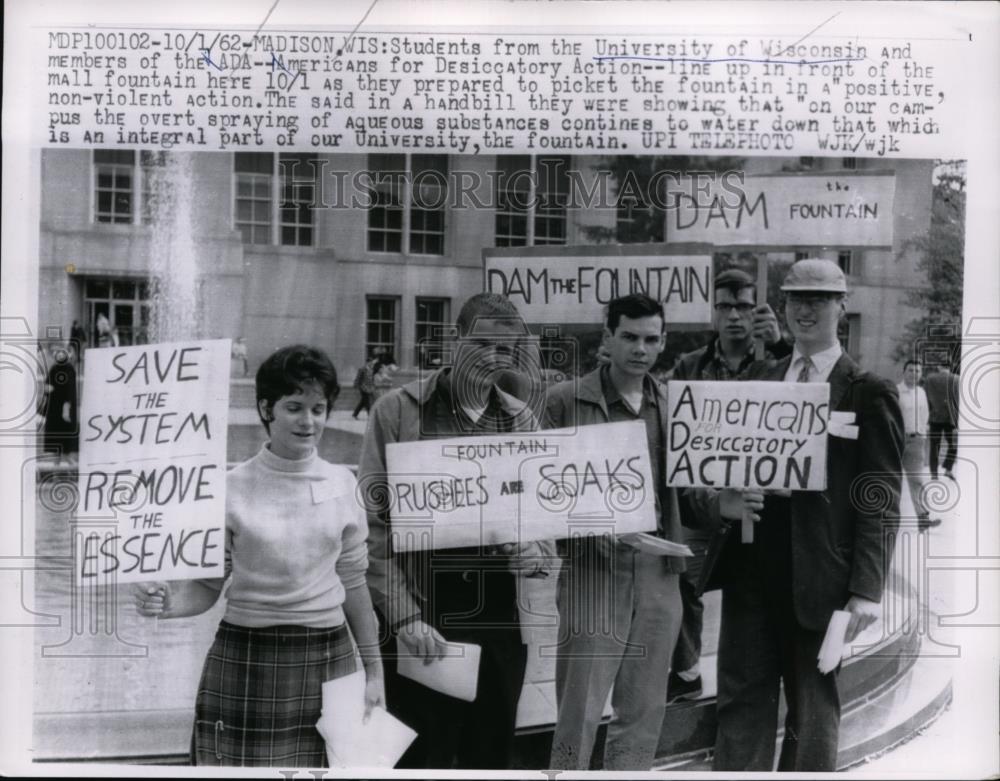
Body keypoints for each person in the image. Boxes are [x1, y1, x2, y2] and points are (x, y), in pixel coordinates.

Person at [132, 345, 384, 767]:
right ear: (266, 408)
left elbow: (355, 588)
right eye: (294, 407)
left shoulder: (343, 484)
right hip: (247, 658)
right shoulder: (230, 487)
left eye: (318, 408)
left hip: (329, 660)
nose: (309, 421)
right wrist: (167, 603)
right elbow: (208, 587)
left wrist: (375, 673)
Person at [704, 258, 904, 772]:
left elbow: (879, 499)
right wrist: (728, 497)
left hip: (822, 582)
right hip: (752, 574)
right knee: (741, 707)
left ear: (842, 304)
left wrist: (867, 588)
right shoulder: (761, 377)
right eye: (796, 299)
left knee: (813, 715)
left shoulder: (867, 391)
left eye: (818, 299)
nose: (806, 310)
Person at [357, 292, 554, 770]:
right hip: (420, 616)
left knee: (489, 758)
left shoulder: (521, 420)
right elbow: (372, 530)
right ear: (455, 340)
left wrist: (537, 553)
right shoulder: (396, 413)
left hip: (497, 619)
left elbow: (546, 522)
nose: (493, 358)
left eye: (505, 350)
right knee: (420, 758)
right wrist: (403, 618)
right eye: (482, 344)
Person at [545, 294, 686, 770]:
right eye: (629, 336)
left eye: (651, 339)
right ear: (607, 337)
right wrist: (579, 524)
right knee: (578, 709)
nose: (640, 349)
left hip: (658, 572)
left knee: (644, 708)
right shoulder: (565, 400)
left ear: (663, 343)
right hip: (593, 572)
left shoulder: (672, 404)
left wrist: (724, 502)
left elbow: (689, 490)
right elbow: (534, 488)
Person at [667, 268, 789, 704]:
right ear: (713, 313)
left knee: (759, 592)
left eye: (744, 306)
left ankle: (763, 679)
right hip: (710, 497)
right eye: (725, 306)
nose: (735, 316)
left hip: (764, 502)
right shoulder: (690, 365)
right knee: (681, 573)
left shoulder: (780, 361)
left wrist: (781, 345)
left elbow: (815, 396)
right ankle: (686, 671)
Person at [897, 360, 940, 530]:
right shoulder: (896, 391)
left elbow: (925, 415)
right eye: (910, 370)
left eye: (917, 371)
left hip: (916, 441)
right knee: (891, 480)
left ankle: (923, 517)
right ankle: (884, 518)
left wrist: (922, 434)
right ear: (903, 372)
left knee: (916, 480)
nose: (914, 373)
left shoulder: (921, 392)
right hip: (898, 441)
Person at [41, 342, 79, 465]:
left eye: (62, 352)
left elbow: (70, 390)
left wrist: (67, 407)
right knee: (55, 434)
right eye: (57, 353)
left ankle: (67, 458)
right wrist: (47, 390)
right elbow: (47, 385)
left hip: (64, 407)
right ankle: (57, 460)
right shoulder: (54, 368)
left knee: (65, 433)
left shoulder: (69, 369)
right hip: (54, 408)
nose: (59, 355)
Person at [923, 361, 960, 480]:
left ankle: (934, 474)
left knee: (934, 446)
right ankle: (948, 468)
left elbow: (925, 398)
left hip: (934, 417)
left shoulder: (929, 379)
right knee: (954, 445)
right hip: (951, 418)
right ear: (951, 367)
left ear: (939, 367)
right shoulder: (957, 379)